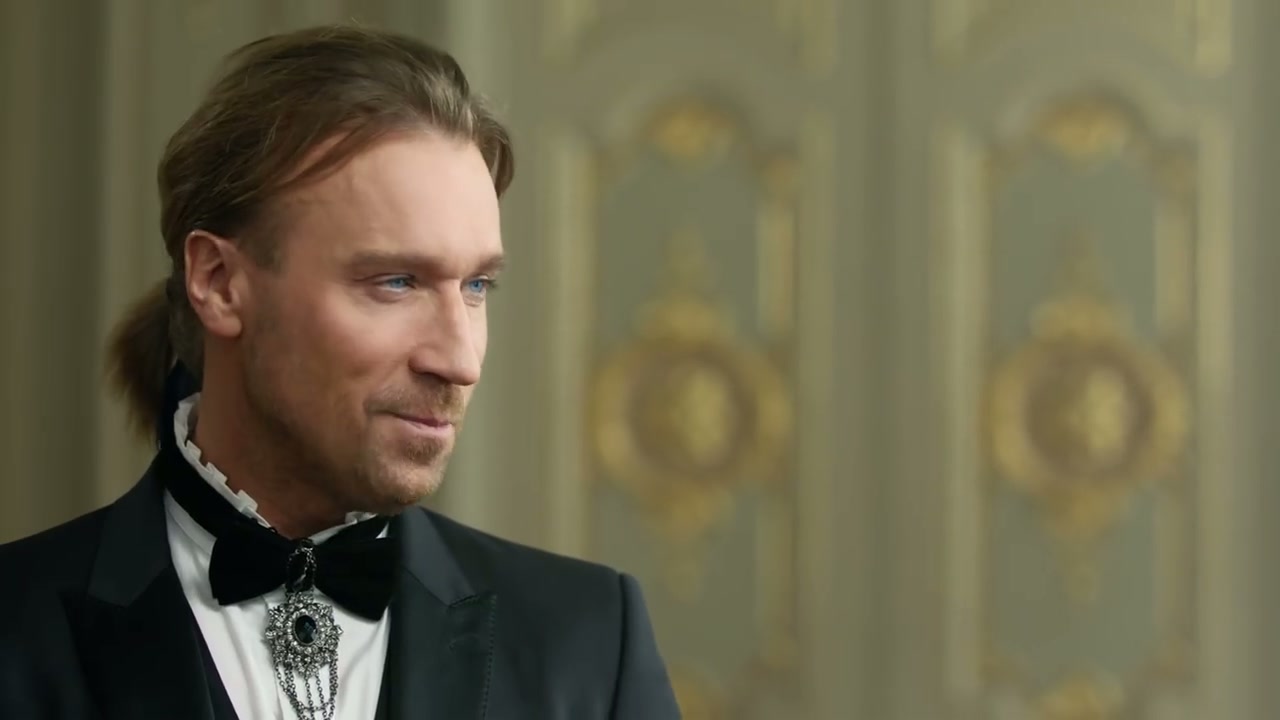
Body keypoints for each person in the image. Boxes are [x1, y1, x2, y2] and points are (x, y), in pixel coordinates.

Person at [0, 25, 680, 720]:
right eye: (396, 282)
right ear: (220, 282)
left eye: (476, 286)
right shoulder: (16, 633)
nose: (460, 360)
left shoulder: (591, 643)